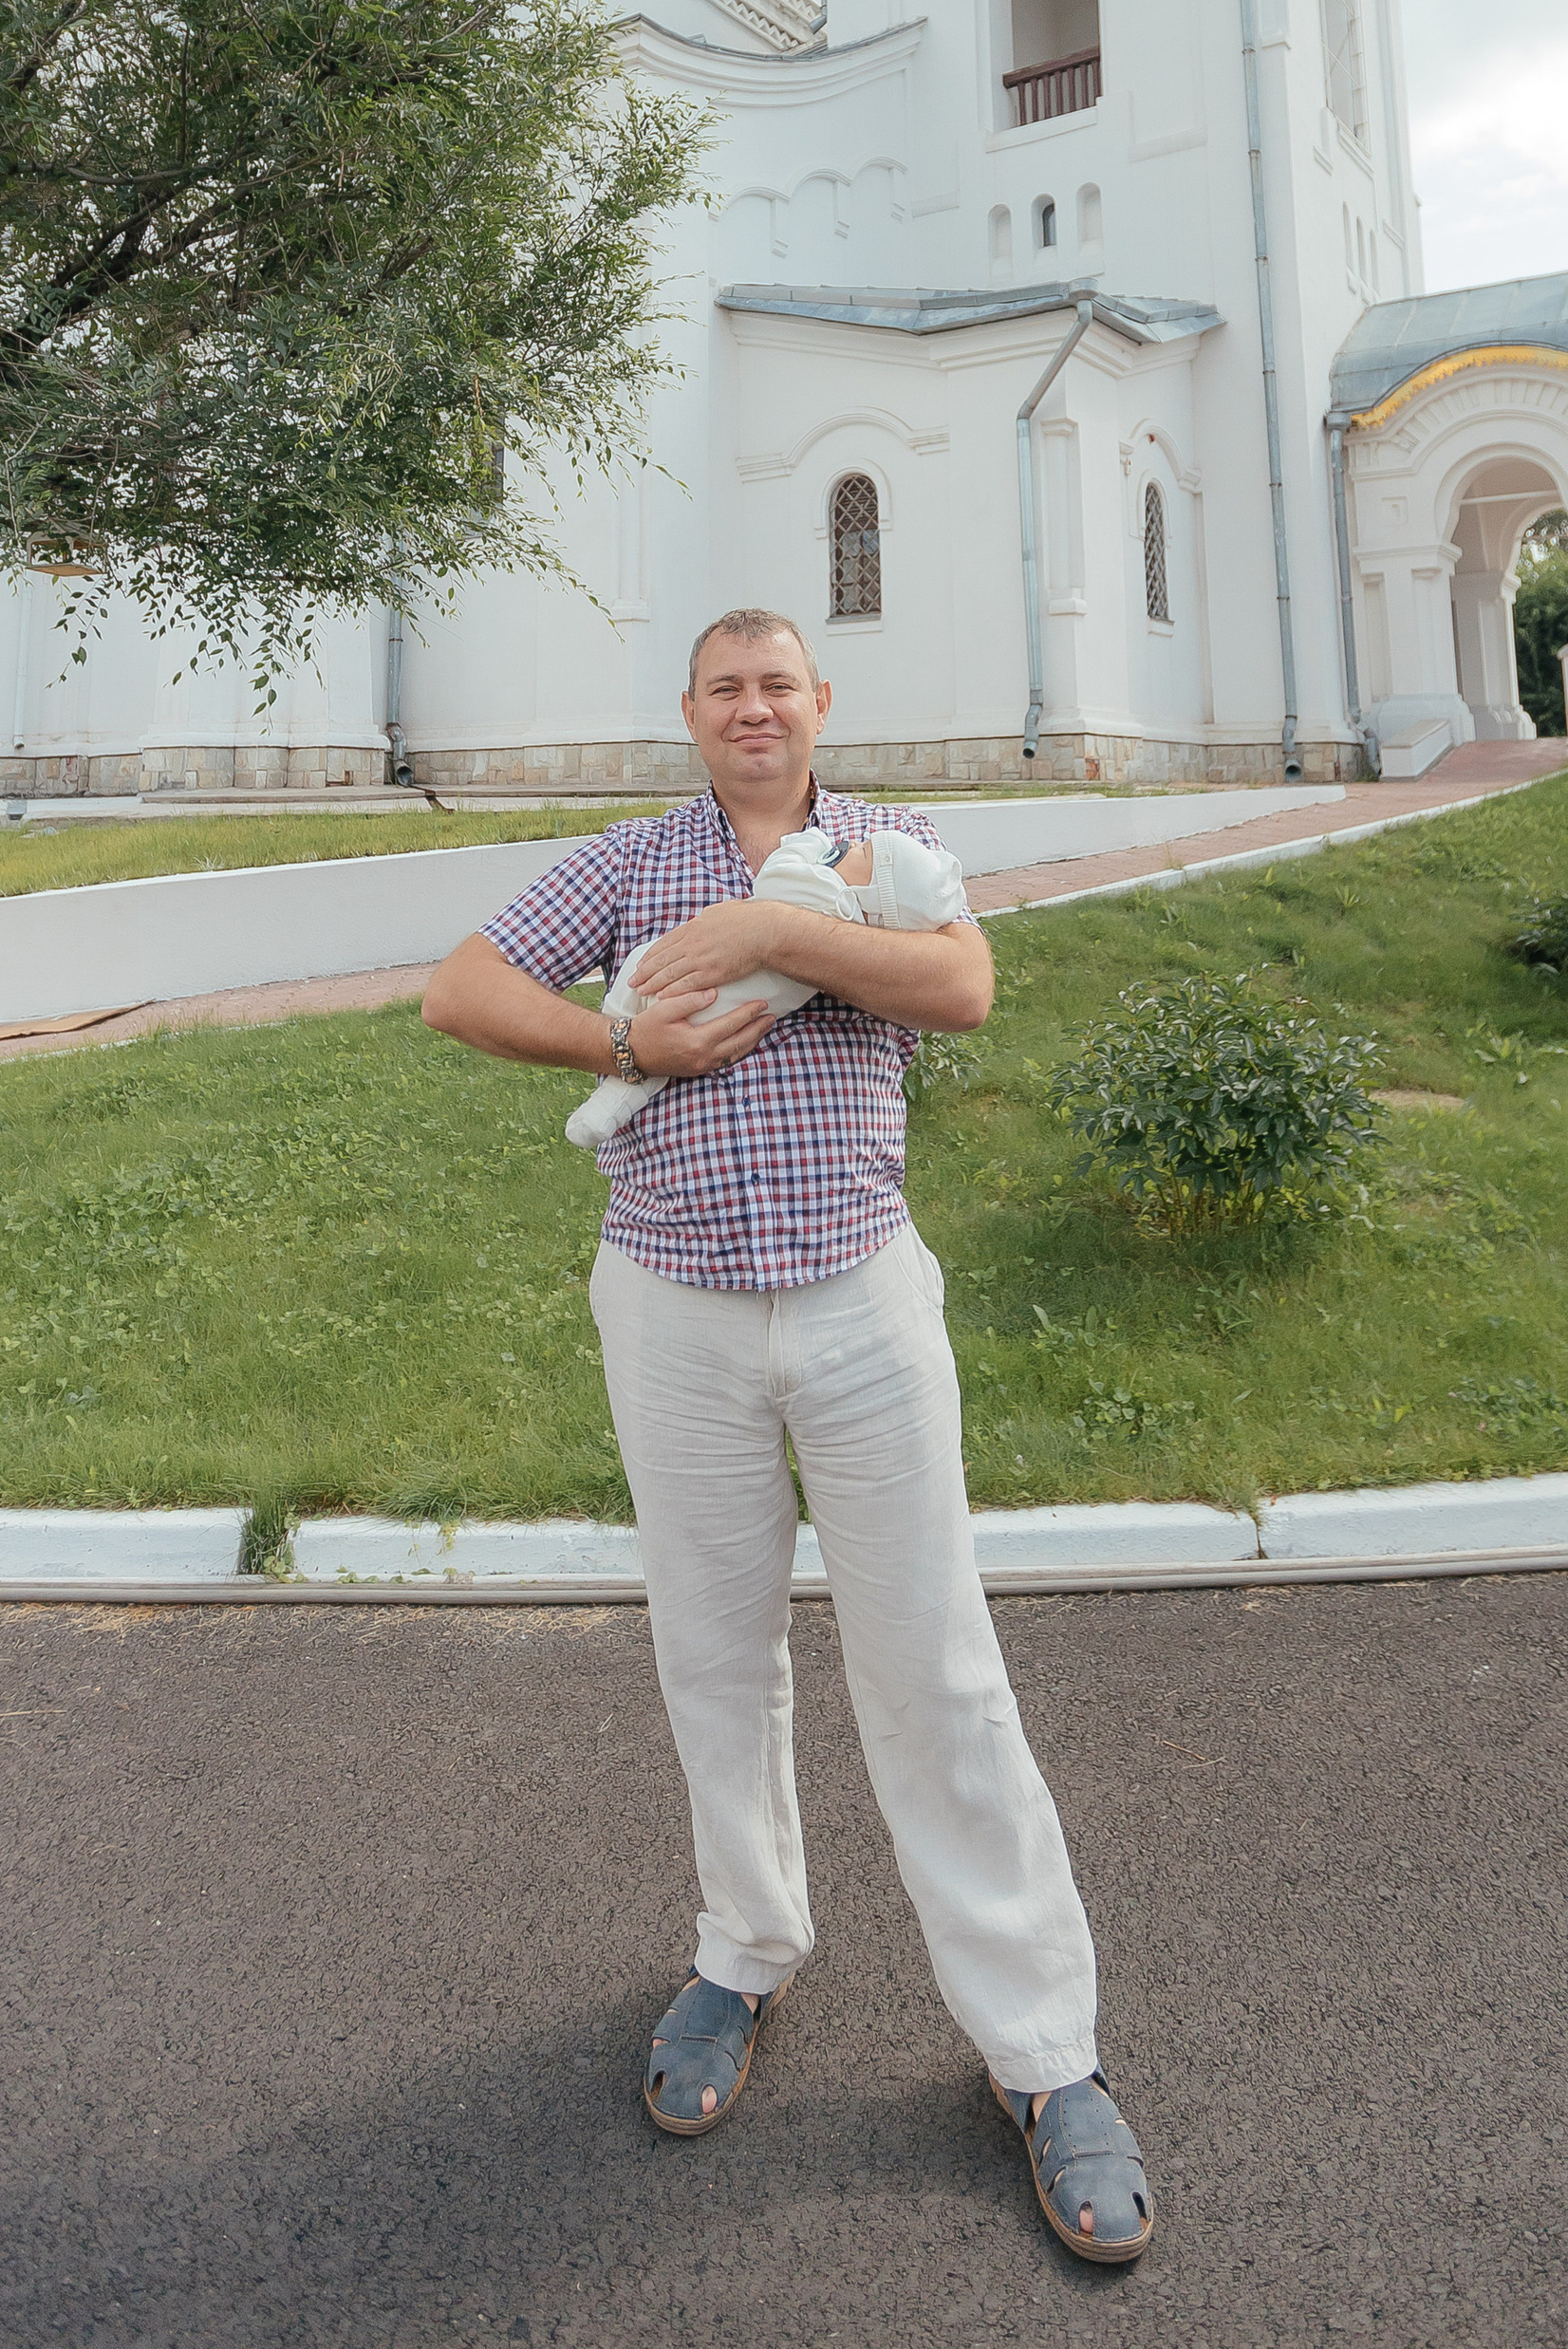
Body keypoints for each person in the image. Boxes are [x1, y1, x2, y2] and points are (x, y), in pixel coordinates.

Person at [421, 607, 1154, 2265]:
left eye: (781, 686)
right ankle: (745, 1951)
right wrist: (623, 1037)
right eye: (727, 688)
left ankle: (1046, 2056)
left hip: (858, 1304)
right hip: (671, 1310)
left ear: (823, 705)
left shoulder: (891, 853)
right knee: (714, 1653)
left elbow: (963, 984)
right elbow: (456, 993)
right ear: (691, 712)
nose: (755, 709)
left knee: (935, 1664)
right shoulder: (621, 865)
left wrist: (772, 923)